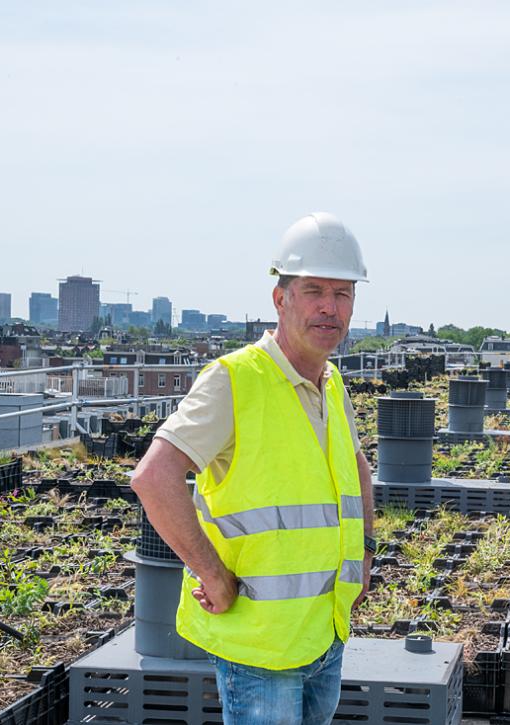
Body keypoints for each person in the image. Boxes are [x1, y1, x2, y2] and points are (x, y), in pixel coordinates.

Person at [131, 212, 376, 725]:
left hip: (324, 631)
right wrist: (211, 573)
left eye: (343, 293)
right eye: (314, 291)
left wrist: (366, 553)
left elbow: (356, 470)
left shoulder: (331, 384)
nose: (330, 307)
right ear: (281, 299)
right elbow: (153, 478)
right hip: (261, 650)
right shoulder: (233, 380)